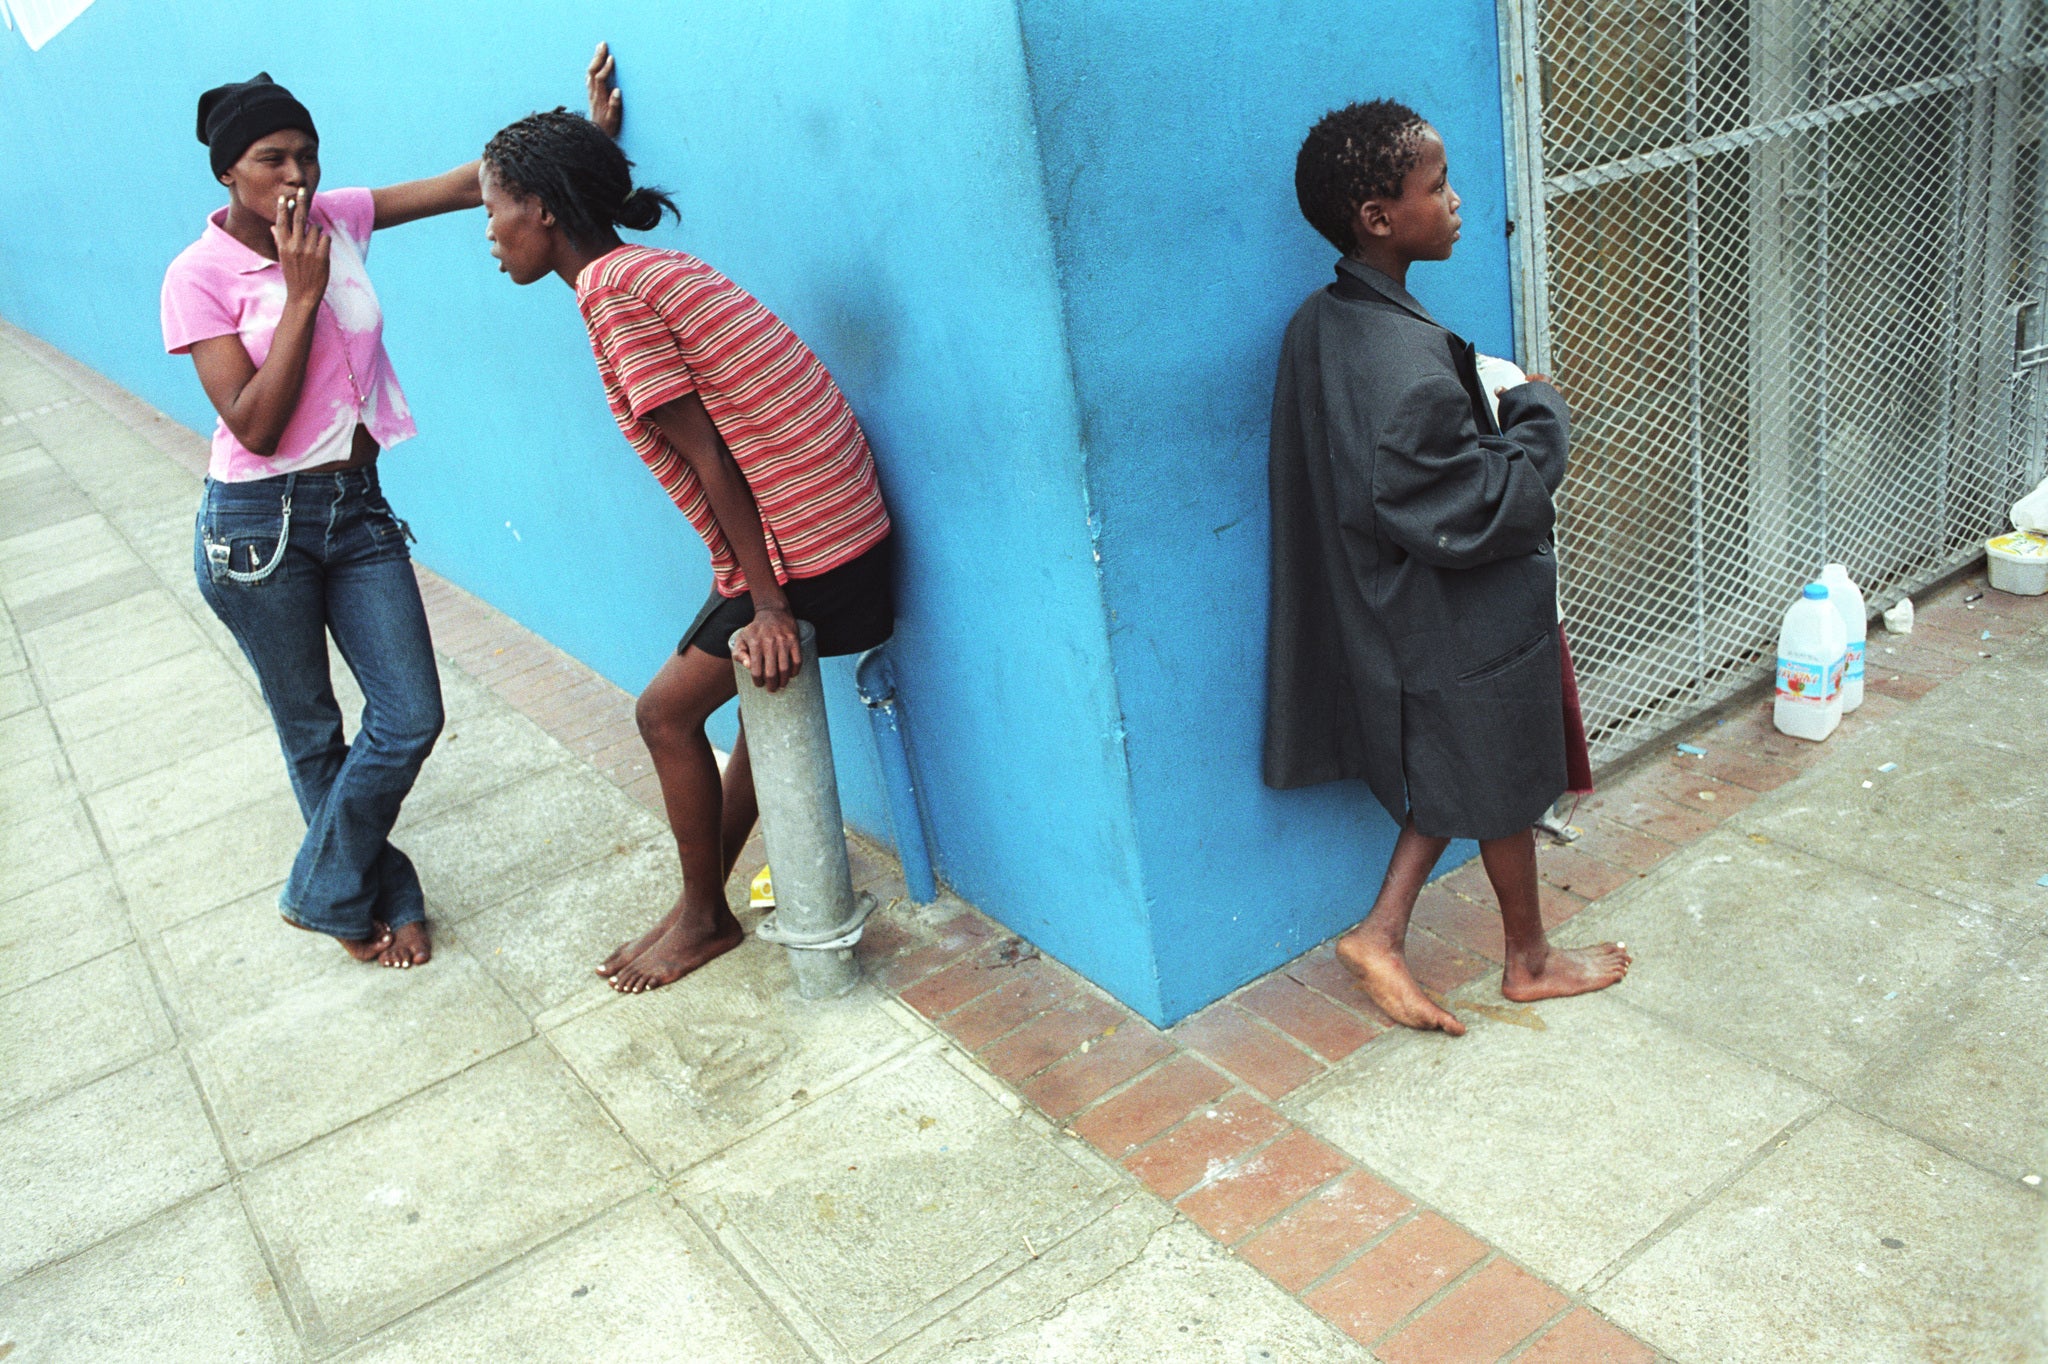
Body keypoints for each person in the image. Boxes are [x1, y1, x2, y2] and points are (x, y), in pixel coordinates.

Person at [159, 54, 607, 968]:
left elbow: (465, 184)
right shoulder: (195, 275)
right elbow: (255, 421)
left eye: (308, 156)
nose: (299, 177)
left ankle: (319, 889)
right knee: (316, 733)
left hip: (356, 508)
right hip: (256, 527)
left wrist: (584, 142)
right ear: (227, 174)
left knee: (408, 716)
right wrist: (301, 296)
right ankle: (382, 893)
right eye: (274, 160)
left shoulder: (340, 218)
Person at [478, 79, 894, 994]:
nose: (489, 231)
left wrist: (771, 606)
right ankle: (699, 901)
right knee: (741, 695)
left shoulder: (615, 296)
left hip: (811, 552)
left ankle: (703, 917)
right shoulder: (646, 272)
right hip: (835, 527)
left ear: (543, 213)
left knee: (663, 713)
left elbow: (711, 456)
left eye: (494, 208)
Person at [1264, 100, 1625, 1035]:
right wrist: (1540, 412)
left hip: (1395, 607)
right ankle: (1527, 961)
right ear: (1380, 218)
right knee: (1495, 765)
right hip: (1445, 613)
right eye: (1437, 187)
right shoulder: (1403, 365)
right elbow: (1478, 506)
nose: (1459, 202)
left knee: (1469, 769)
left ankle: (1384, 935)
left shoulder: (1327, 320)